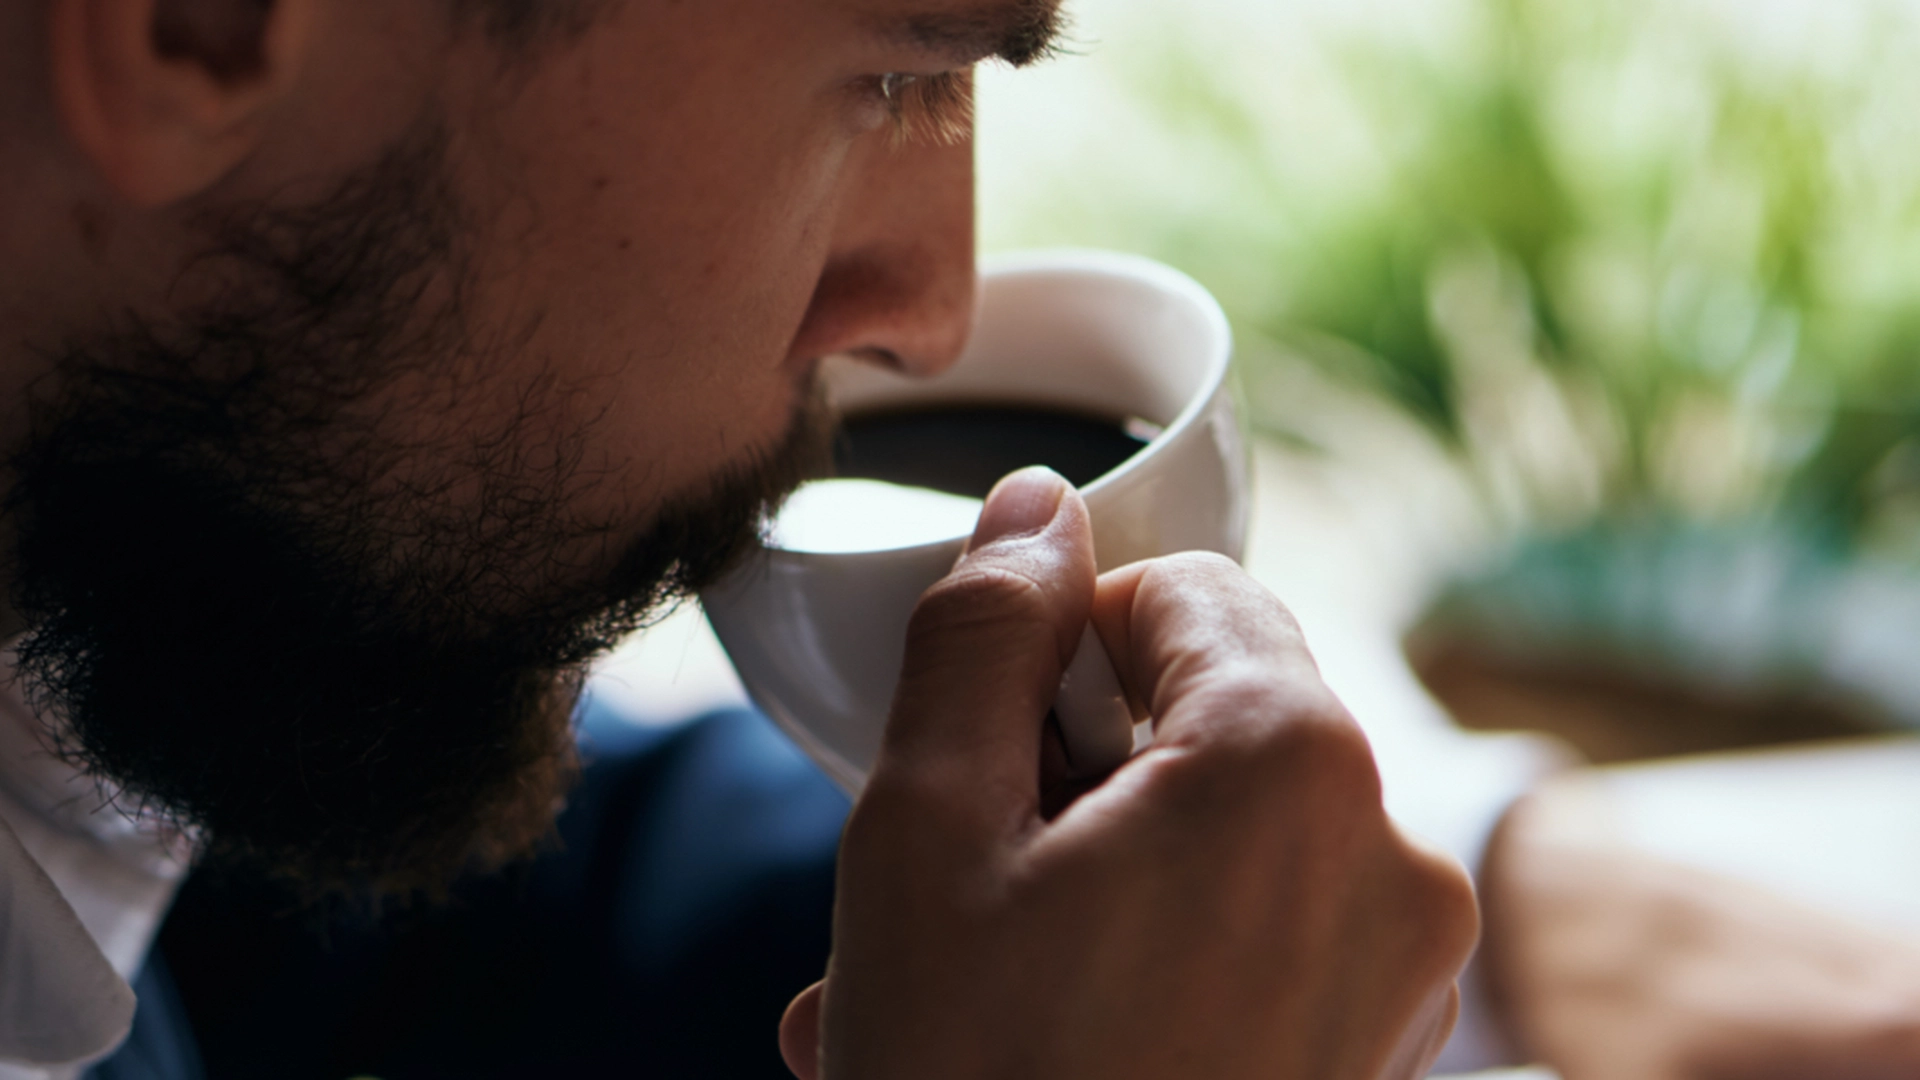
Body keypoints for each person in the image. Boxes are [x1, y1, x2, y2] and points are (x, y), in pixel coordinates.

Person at [0, 1, 1476, 1077]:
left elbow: (384, 908)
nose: (932, 310)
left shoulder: (153, 603)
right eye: (896, 73)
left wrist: (1468, 889)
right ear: (198, 27)